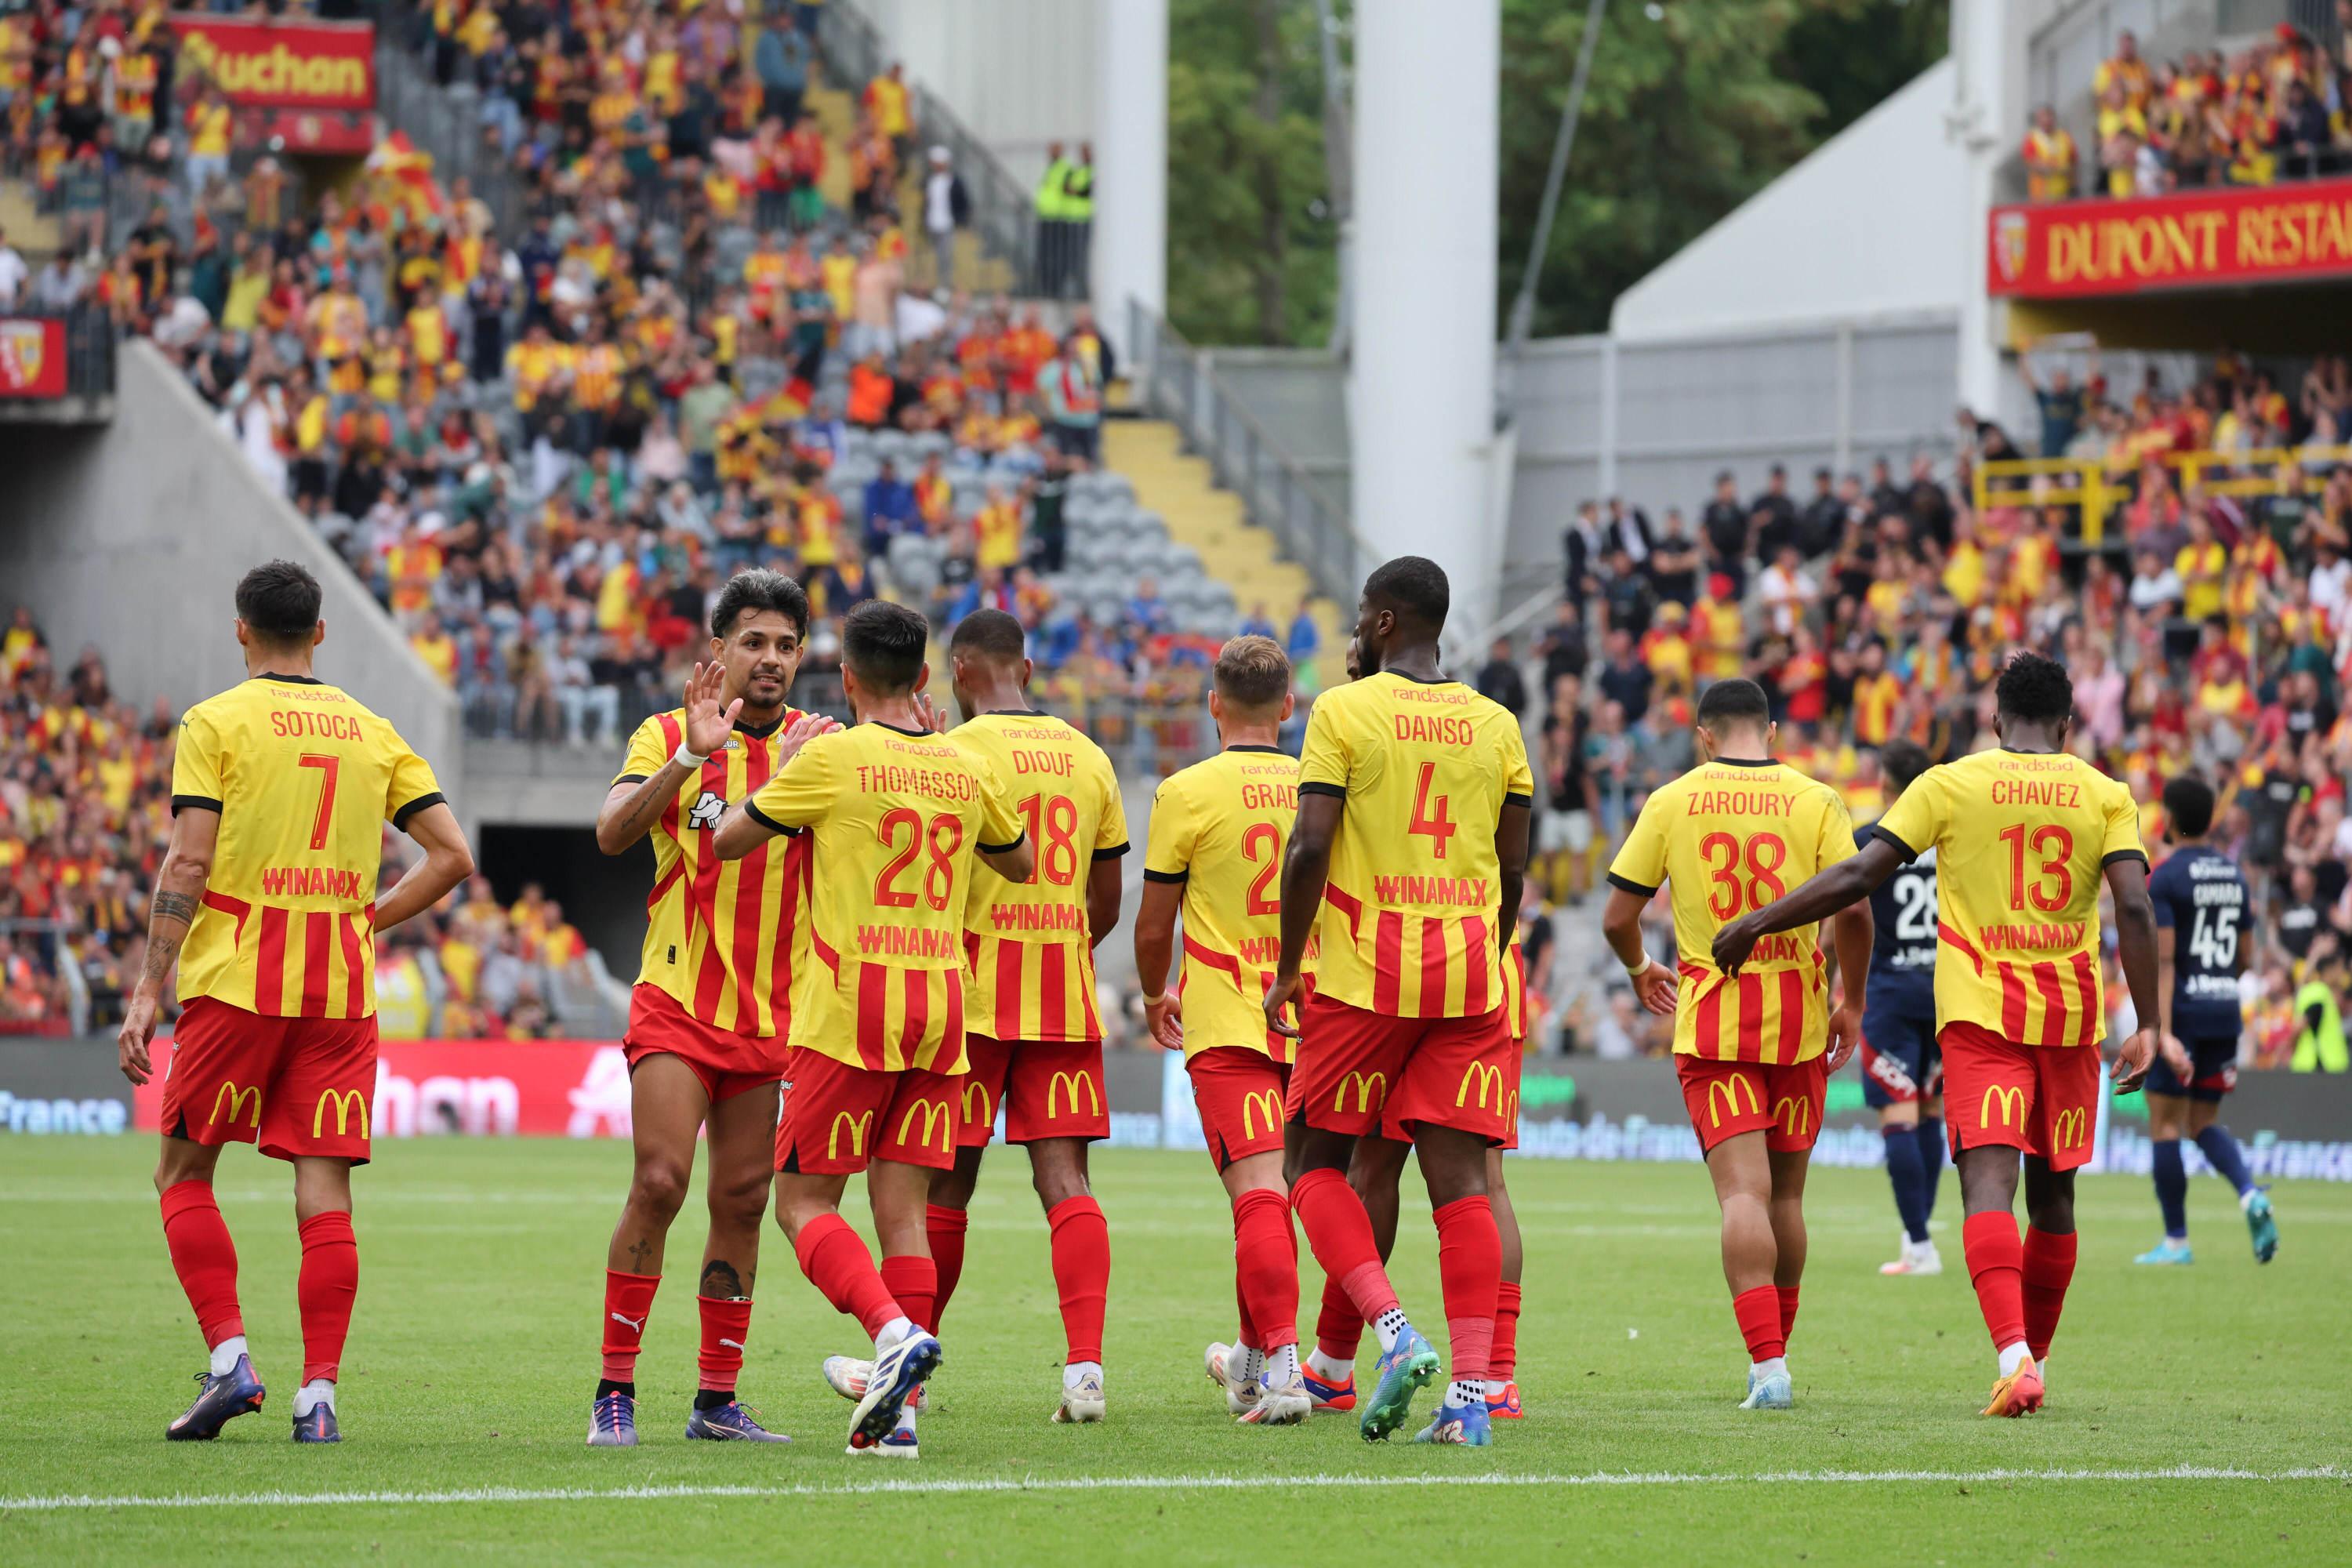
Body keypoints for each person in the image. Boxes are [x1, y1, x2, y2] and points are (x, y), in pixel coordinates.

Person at [1715, 651, 2160, 1418]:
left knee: (1989, 1185)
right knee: (2055, 1199)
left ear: (1994, 719)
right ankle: (2038, 1358)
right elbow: (2135, 905)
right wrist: (2151, 1022)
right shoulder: (2106, 794)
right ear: (2067, 723)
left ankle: (2014, 1354)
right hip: (2070, 1020)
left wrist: (1759, 920)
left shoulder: (1949, 783)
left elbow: (1858, 877)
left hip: (1983, 1016)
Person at [116, 561, 474, 1443]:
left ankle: (232, 1358)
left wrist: (147, 984)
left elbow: (189, 861)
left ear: (242, 629)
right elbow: (453, 856)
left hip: (239, 982)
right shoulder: (371, 730)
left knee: (182, 1172)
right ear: (321, 632)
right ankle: (320, 1396)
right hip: (340, 993)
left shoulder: (215, 721)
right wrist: (367, 919)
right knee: (325, 1195)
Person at [712, 600, 1034, 1457]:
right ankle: (905, 1419)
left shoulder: (833, 757)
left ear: (846, 678)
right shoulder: (966, 765)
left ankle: (892, 1335)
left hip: (852, 1006)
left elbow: (731, 842)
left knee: (803, 1202)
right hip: (942, 1006)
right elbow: (1022, 861)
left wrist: (780, 765)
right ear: (926, 681)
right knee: (907, 1217)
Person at [817, 609, 1126, 1425]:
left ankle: (904, 1360)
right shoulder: (1090, 756)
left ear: (954, 672)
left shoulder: (955, 754)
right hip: (1062, 985)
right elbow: (1106, 901)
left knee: (941, 1185)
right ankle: (1085, 1371)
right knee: (1066, 1180)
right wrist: (1059, 938)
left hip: (971, 990)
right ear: (1026, 666)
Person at [1264, 556, 1533, 1446]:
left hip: (1364, 972)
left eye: (1358, 620)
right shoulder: (1498, 724)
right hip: (1467, 972)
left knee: (1311, 1161)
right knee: (1463, 1182)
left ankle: (1390, 1329)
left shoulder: (1345, 708)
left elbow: (1309, 847)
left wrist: (1289, 962)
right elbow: (1517, 862)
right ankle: (1471, 1393)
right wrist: (1486, 949)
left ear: (1384, 622)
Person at [583, 571, 834, 1447]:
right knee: (659, 1180)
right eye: (754, 642)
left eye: (786, 644)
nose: (770, 659)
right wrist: (691, 755)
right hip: (680, 997)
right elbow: (613, 831)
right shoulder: (666, 731)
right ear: (718, 649)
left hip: (780, 1015)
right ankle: (615, 1389)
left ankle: (716, 1401)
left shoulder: (829, 744)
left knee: (742, 1197)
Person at [1599, 677, 1868, 1410]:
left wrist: (1639, 968)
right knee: (1785, 1195)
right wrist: (1853, 1002)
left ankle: (1768, 1365)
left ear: (1705, 735)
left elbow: (1619, 914)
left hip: (1715, 1023)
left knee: (1742, 1194)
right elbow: (1855, 910)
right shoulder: (1816, 800)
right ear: (1772, 731)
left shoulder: (1673, 800)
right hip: (1801, 1022)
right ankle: (1778, 1360)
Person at [1134, 635, 1315, 1425]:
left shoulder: (1186, 790)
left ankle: (1283, 1369)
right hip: (1318, 1016)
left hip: (1228, 1015)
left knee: (1256, 1192)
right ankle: (1249, 1360)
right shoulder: (1322, 785)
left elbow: (1153, 923)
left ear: (1213, 705)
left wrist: (1151, 992)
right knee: (1279, 1195)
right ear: (1287, 706)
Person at [2137, 775, 2277, 1266]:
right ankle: (2249, 1193)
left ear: (2171, 818)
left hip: (2185, 1013)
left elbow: (2169, 961)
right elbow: (2242, 956)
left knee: (2165, 1124)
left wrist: (2165, 1032)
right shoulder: (2234, 875)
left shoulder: (2168, 877)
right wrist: (2219, 985)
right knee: (2204, 1122)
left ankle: (2176, 1241)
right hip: (2224, 1010)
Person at [1859, 740, 1949, 1277]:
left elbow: (1843, 920)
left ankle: (1918, 1242)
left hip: (1890, 994)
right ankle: (1920, 1234)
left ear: (1887, 785)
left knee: (1899, 1113)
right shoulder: (1948, 838)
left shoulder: (1869, 841)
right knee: (1931, 1112)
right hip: (1945, 995)